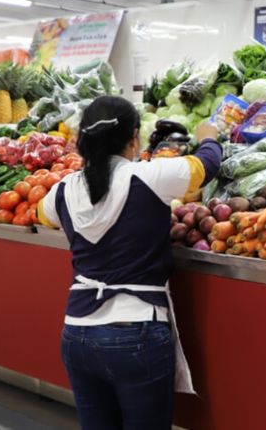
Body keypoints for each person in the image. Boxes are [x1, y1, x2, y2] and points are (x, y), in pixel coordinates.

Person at [37, 96, 222, 429]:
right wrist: (209, 135)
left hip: (77, 333)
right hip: (137, 331)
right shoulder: (150, 177)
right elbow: (206, 165)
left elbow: (44, 216)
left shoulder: (62, 190)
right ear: (134, 137)